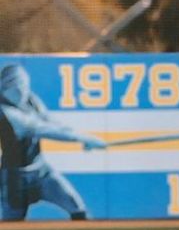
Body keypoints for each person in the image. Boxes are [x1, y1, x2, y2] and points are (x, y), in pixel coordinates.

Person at [0, 62, 106, 221]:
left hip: (42, 171)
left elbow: (50, 122)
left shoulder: (31, 99)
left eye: (23, 85)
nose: (20, 91)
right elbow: (40, 128)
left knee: (77, 208)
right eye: (15, 86)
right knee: (12, 222)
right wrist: (80, 138)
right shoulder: (6, 112)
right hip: (14, 178)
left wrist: (79, 137)